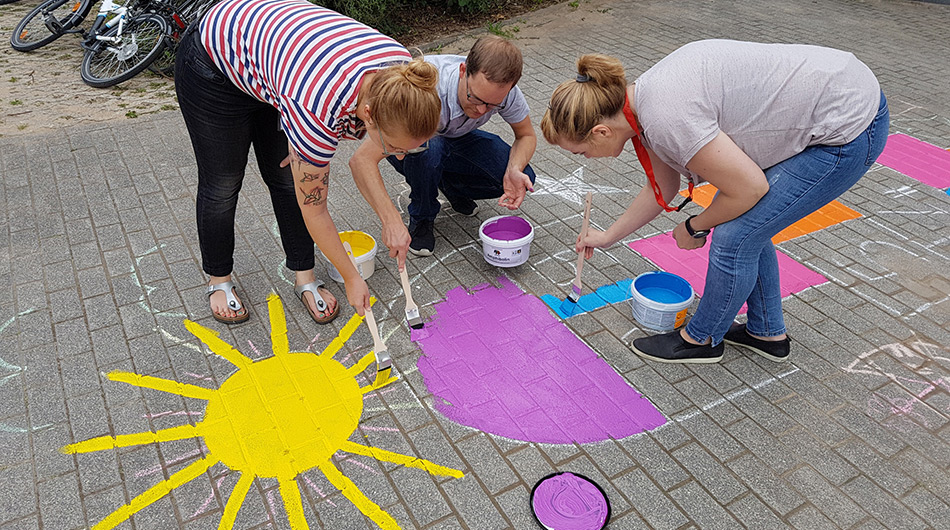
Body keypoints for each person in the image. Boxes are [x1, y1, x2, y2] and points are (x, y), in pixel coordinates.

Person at [541, 39, 889, 364]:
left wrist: (694, 225)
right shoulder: (639, 105)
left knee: (734, 235)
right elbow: (662, 185)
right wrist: (607, 237)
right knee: (752, 224)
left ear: (601, 131)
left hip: (850, 124)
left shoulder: (666, 118)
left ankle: (701, 340)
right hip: (839, 90)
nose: (586, 158)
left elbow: (748, 190)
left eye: (581, 151)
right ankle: (767, 334)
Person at [175, 0, 439, 324]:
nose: (398, 157)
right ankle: (219, 279)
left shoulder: (405, 78)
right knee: (223, 182)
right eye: (395, 147)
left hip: (278, 63)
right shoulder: (317, 108)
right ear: (369, 115)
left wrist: (390, 219)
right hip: (214, 64)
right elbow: (315, 209)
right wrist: (352, 278)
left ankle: (305, 276)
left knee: (286, 178)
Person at [350, 35, 537, 257]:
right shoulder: (428, 90)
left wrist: (514, 169)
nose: (480, 110)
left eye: (492, 105)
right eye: (475, 98)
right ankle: (422, 217)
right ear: (462, 70)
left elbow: (526, 135)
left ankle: (450, 187)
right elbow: (362, 158)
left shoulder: (506, 94)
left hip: (457, 137)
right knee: (429, 150)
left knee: (523, 175)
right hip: (406, 142)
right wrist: (390, 221)